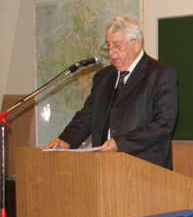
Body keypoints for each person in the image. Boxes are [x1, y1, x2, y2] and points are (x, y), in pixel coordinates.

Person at [42, 16, 178, 169]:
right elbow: (87, 115)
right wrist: (65, 140)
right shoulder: (103, 77)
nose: (111, 53)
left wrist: (120, 143)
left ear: (135, 44)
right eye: (108, 46)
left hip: (145, 168)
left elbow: (163, 124)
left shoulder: (160, 73)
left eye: (117, 46)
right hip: (105, 167)